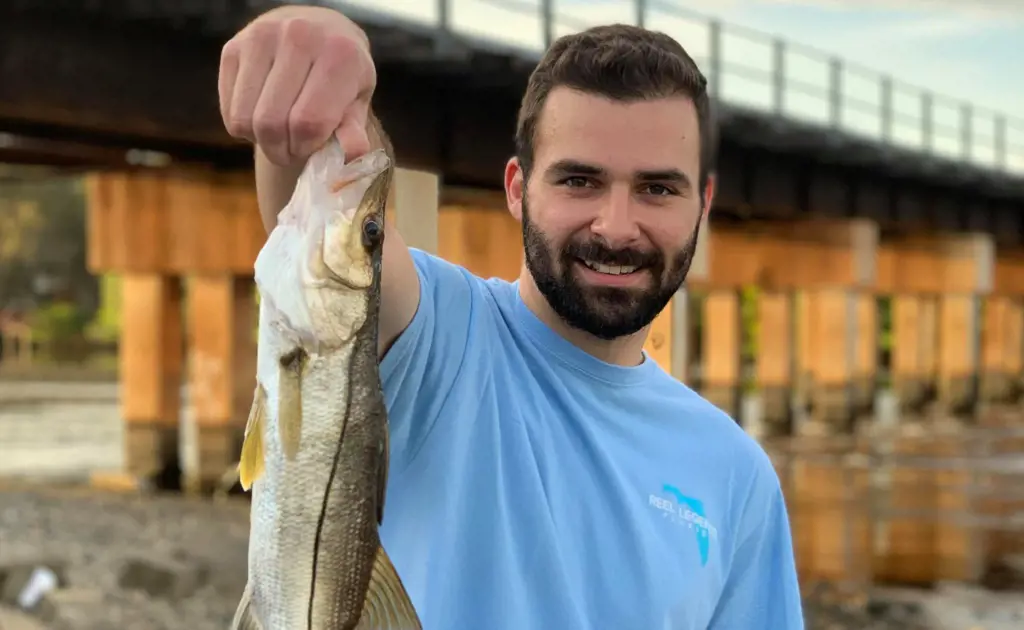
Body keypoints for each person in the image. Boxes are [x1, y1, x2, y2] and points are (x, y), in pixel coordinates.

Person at [219, 5, 805, 629]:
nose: (615, 226)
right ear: (518, 189)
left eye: (657, 189)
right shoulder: (441, 335)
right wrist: (324, 62)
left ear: (702, 205)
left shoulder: (737, 475)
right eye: (579, 180)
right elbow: (330, 227)